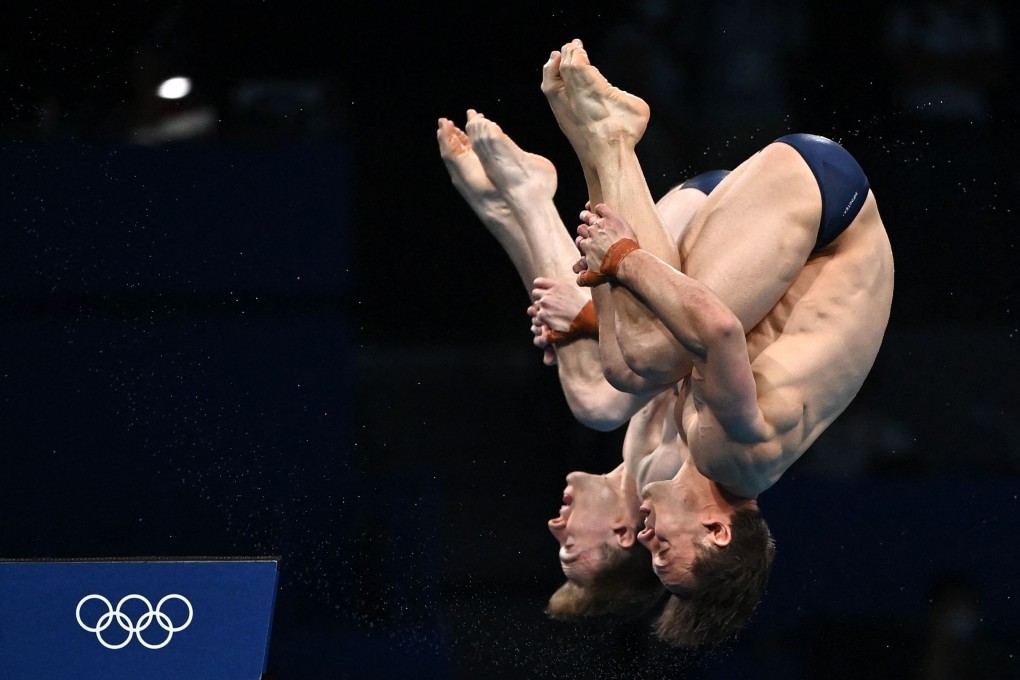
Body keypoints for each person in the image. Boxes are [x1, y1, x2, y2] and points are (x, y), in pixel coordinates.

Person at [542, 39, 894, 646]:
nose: (648, 541)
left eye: (648, 556)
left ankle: (587, 158)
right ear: (717, 530)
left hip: (782, 212)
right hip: (827, 204)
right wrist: (621, 258)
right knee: (654, 353)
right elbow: (721, 332)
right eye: (664, 554)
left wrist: (591, 321)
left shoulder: (711, 459)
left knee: (627, 371)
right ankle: (609, 140)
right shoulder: (735, 461)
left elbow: (674, 343)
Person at [436, 111, 732, 619]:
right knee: (596, 401)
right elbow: (700, 354)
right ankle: (524, 202)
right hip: (721, 232)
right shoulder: (665, 475)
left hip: (678, 226)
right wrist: (591, 319)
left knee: (595, 386)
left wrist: (577, 324)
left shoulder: (640, 456)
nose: (556, 527)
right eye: (570, 548)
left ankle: (513, 212)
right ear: (622, 535)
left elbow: (656, 356)